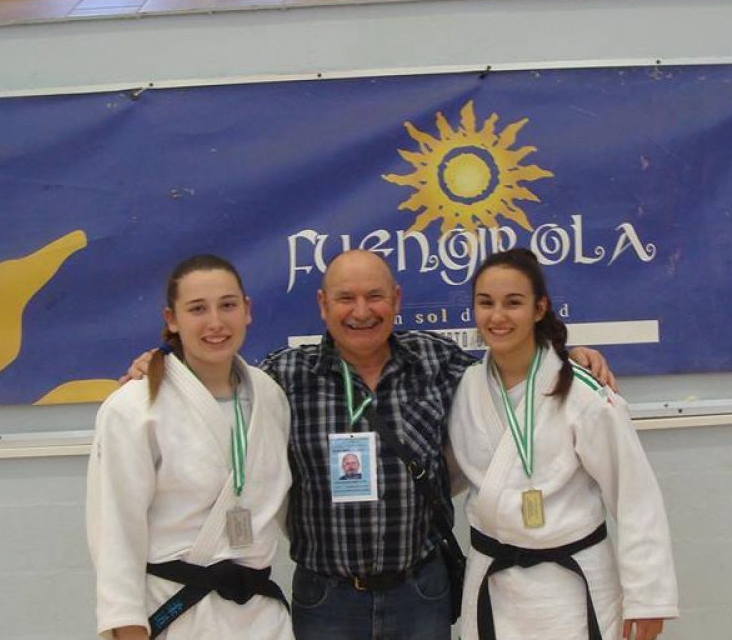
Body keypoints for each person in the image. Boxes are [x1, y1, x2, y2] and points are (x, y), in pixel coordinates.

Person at [126, 249, 612, 640]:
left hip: (420, 591)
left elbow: (509, 369)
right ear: (322, 305)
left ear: (396, 299)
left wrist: (566, 356)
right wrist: (162, 366)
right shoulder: (283, 377)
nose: (362, 311)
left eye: (375, 296)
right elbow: (216, 378)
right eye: (345, 298)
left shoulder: (435, 361)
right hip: (325, 598)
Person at [448, 248, 678, 640]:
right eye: (485, 303)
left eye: (513, 303)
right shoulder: (464, 386)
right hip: (492, 581)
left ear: (540, 309)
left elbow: (634, 495)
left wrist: (647, 598)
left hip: (571, 585)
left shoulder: (583, 393)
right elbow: (448, 477)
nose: (497, 316)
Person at [87, 255, 293, 640]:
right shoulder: (134, 407)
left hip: (260, 617)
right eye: (197, 309)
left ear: (247, 310)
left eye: (228, 305)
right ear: (172, 319)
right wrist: (127, 629)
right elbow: (115, 532)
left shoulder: (270, 395)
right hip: (175, 611)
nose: (215, 322)